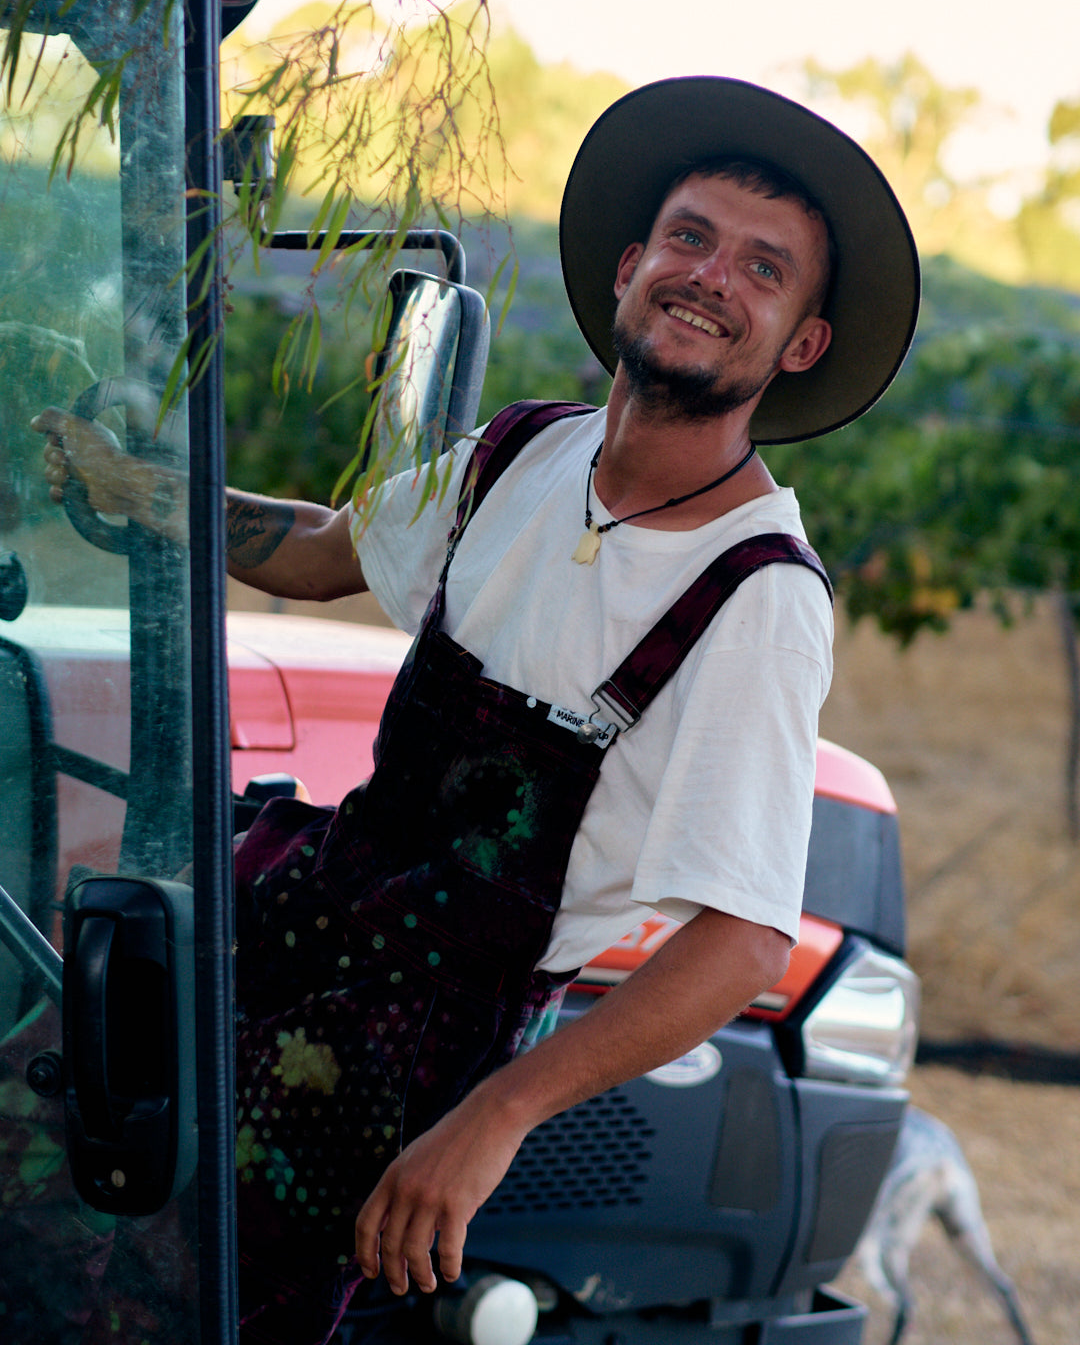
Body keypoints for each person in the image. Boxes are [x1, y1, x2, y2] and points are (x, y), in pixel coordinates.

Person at [32, 77, 919, 1343]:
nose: (711, 276)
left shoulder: (757, 597)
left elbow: (740, 942)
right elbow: (338, 547)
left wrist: (492, 1115)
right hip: (296, 900)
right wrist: (139, 488)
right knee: (48, 1116)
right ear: (629, 267)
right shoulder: (525, 452)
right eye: (689, 237)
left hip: (408, 1037)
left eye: (763, 268)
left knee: (175, 1296)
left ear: (800, 343)